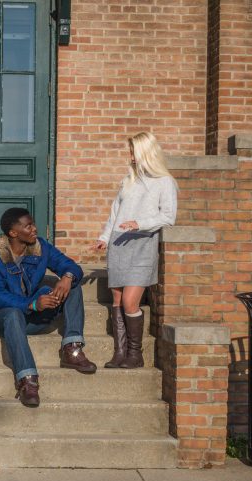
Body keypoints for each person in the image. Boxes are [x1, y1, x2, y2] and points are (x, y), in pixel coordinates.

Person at [0, 208, 96, 408]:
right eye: (28, 226)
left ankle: (72, 349)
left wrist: (67, 277)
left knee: (72, 286)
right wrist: (32, 304)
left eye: (33, 224)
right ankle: (28, 381)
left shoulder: (40, 247)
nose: (34, 229)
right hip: (1, 319)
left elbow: (70, 265)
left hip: (32, 317)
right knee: (13, 313)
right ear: (13, 233)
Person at [93, 132, 178, 369]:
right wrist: (104, 238)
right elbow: (115, 213)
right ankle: (120, 353)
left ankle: (135, 353)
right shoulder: (128, 180)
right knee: (117, 299)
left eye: (134, 152)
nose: (130, 156)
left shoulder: (165, 181)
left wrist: (139, 223)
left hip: (142, 244)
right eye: (130, 152)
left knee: (130, 302)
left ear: (146, 152)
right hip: (119, 243)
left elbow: (168, 217)